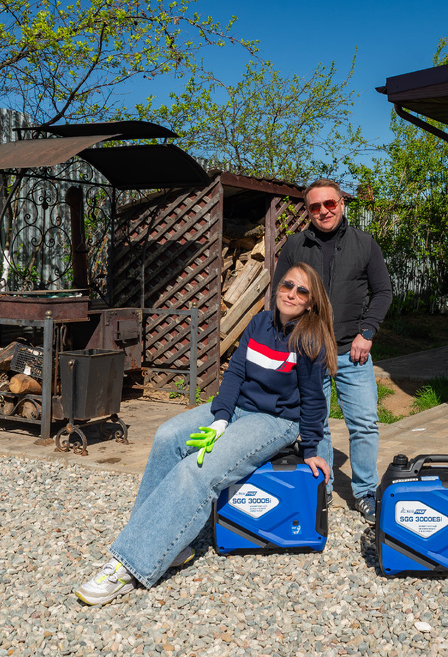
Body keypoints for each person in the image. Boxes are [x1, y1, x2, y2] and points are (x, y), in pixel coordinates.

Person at [75, 263, 336, 606]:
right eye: (288, 284)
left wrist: (313, 447)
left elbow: (315, 402)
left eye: (302, 291)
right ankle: (159, 543)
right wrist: (220, 419)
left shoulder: (308, 339)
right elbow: (236, 374)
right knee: (168, 436)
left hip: (275, 420)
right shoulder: (258, 323)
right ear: (277, 287)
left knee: (199, 469)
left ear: (311, 303)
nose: (292, 293)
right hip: (239, 407)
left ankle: (129, 565)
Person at [272, 178, 392, 522]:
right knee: (316, 425)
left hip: (351, 352)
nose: (323, 211)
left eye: (330, 204)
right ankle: (320, 490)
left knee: (365, 423)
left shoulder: (364, 244)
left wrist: (367, 332)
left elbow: (383, 292)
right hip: (309, 351)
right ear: (307, 211)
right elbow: (280, 294)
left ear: (342, 204)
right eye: (315, 206)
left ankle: (365, 492)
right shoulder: (296, 244)